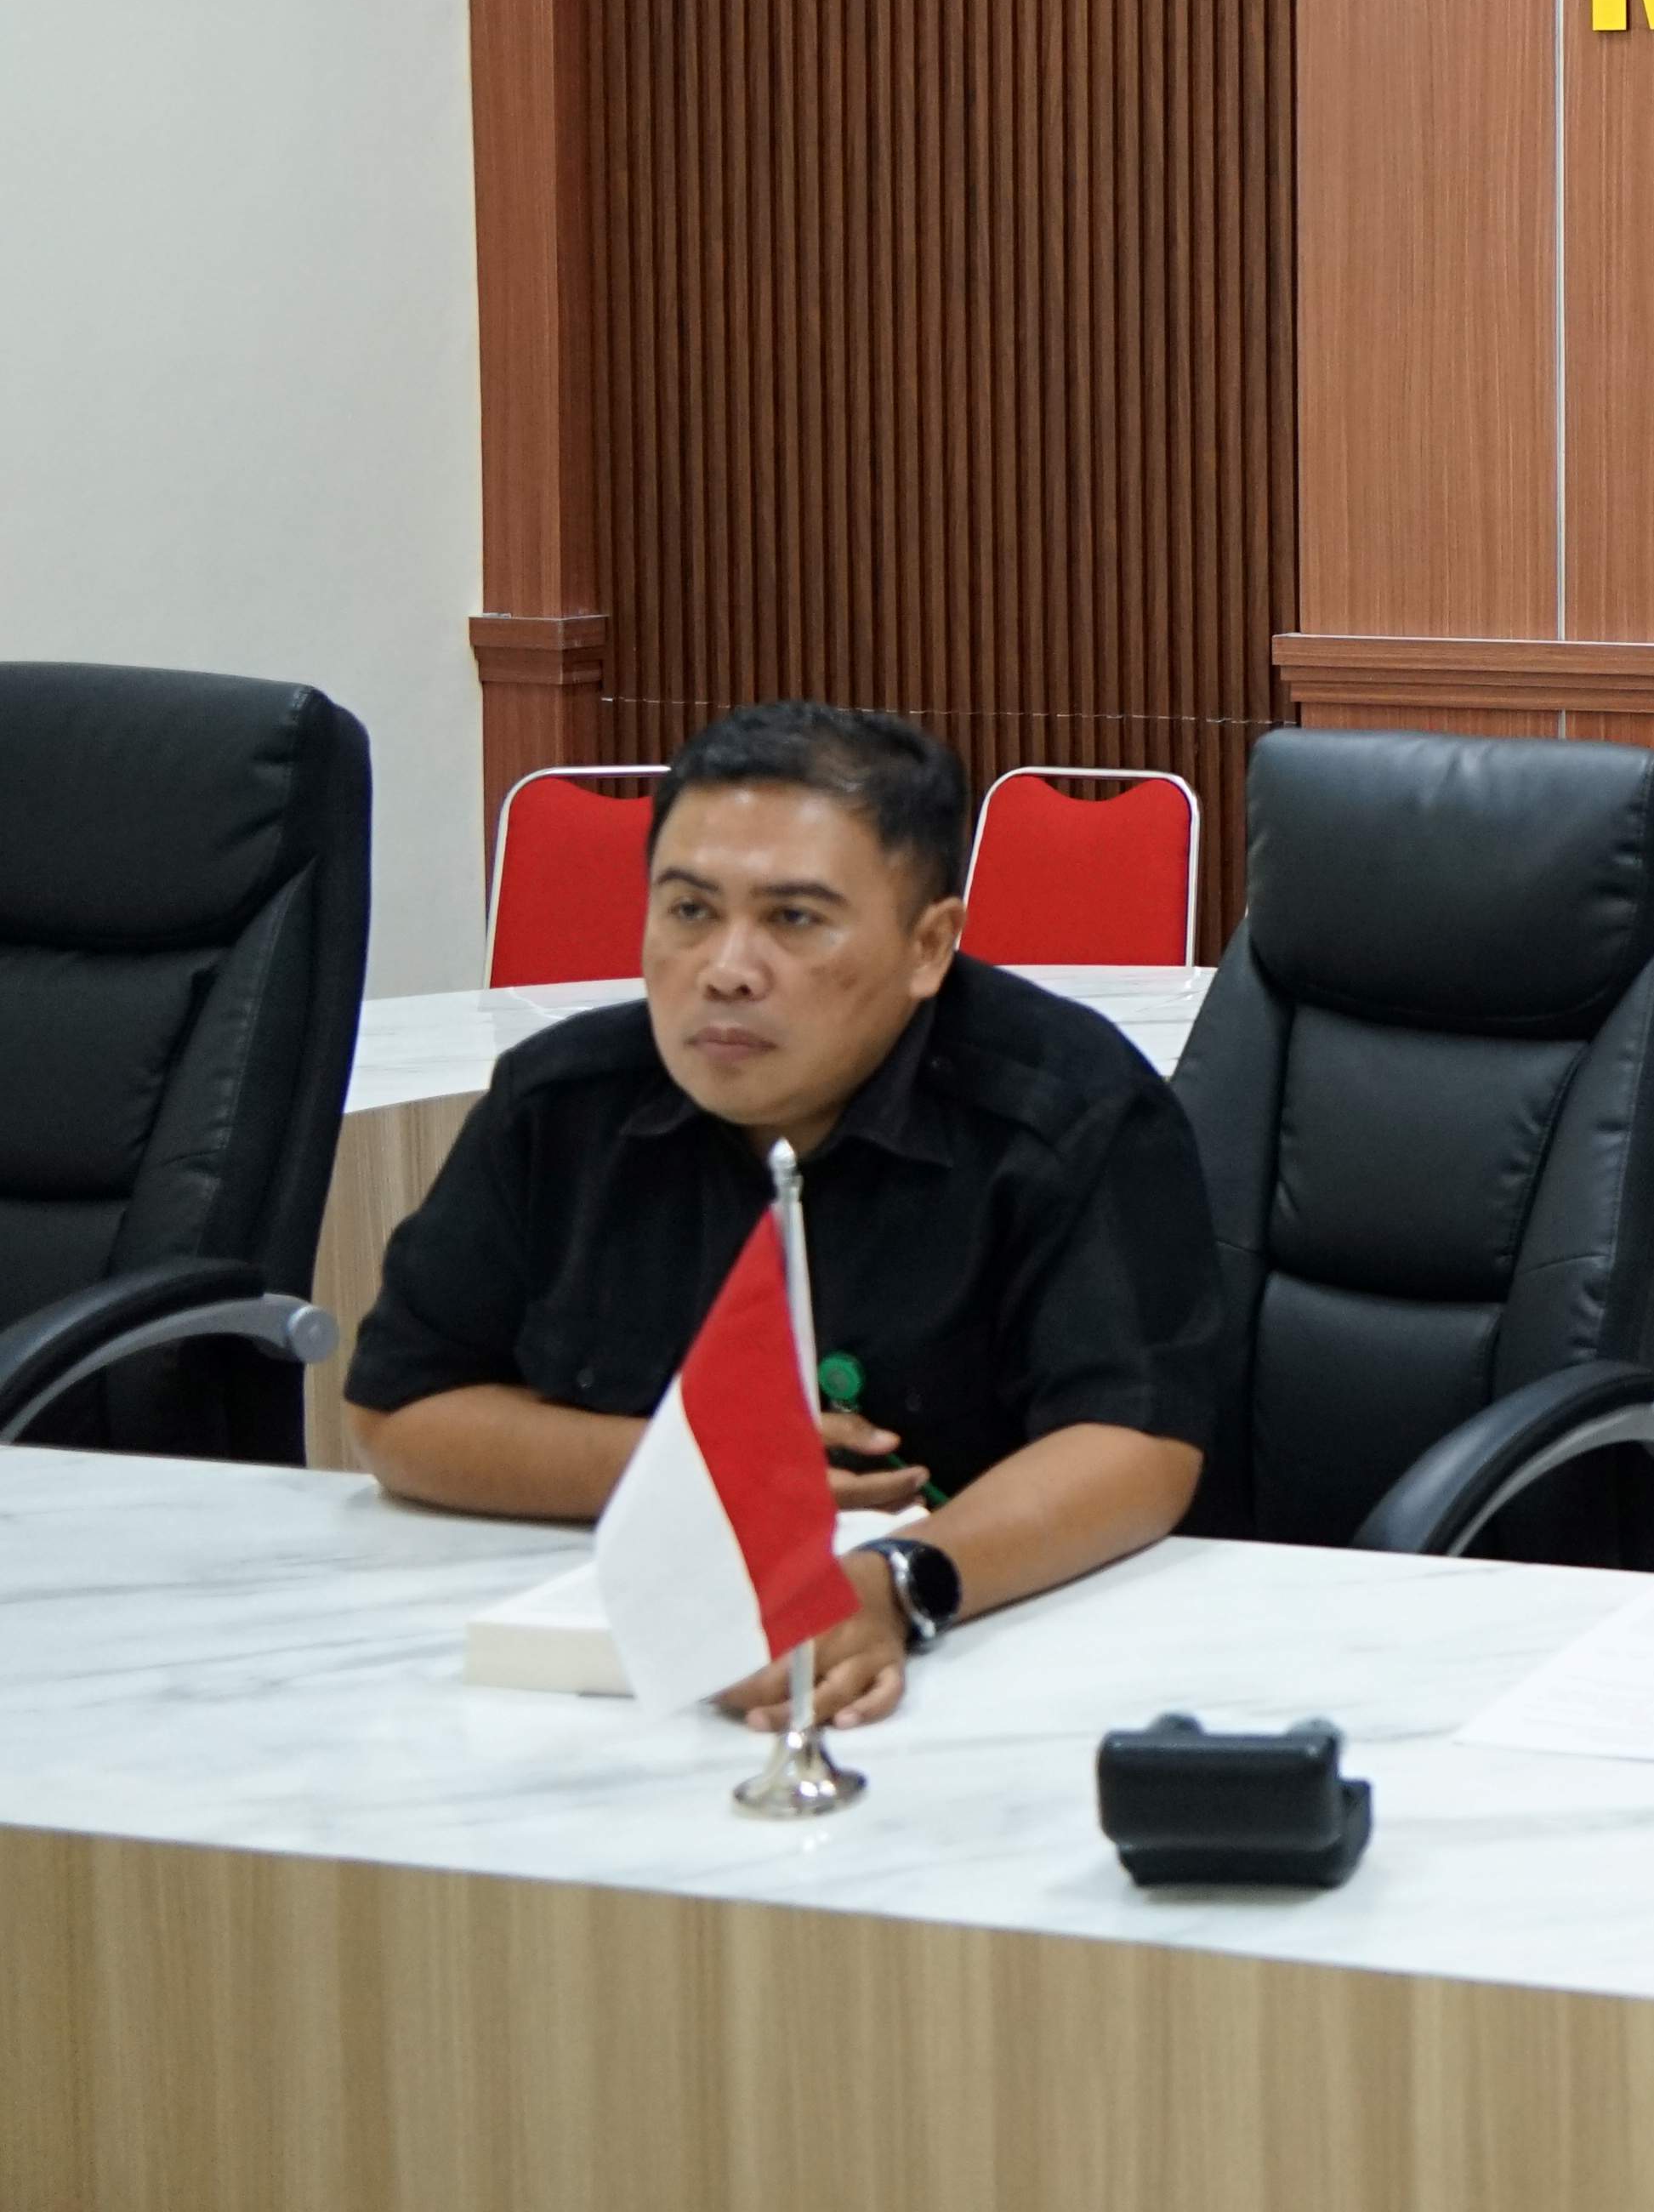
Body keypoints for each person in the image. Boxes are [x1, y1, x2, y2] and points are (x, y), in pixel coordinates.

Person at [347, 703, 1218, 1730]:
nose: (726, 968)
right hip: (607, 1654)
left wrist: (896, 1581)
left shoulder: (1067, 1109)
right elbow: (401, 1410)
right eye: (689, 910)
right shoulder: (561, 1102)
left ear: (929, 945)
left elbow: (1137, 1446)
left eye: (794, 919)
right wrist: (710, 1472)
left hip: (1011, 1660)